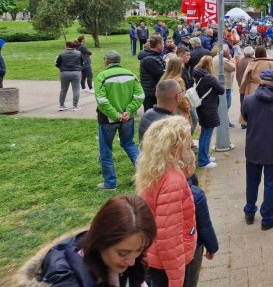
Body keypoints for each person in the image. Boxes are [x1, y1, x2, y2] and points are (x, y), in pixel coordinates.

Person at [18, 194, 157, 287]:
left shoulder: (126, 262)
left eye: (140, 250)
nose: (131, 261)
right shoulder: (67, 279)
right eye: (123, 253)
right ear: (101, 240)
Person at [135, 116, 197, 287]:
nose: (191, 145)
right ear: (176, 146)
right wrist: (176, 281)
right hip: (169, 266)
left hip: (154, 256)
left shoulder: (153, 170)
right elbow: (170, 238)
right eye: (187, 142)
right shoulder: (173, 181)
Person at [241, 69, 273, 230]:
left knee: (252, 181)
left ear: (261, 82)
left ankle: (250, 212)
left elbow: (245, 117)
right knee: (271, 183)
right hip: (272, 149)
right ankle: (268, 216)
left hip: (253, 148)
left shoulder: (248, 100)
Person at [95, 50, 144, 190]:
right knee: (129, 144)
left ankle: (110, 183)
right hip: (127, 119)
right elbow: (140, 95)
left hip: (107, 120)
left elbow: (102, 100)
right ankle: (146, 173)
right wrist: (128, 112)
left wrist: (116, 115)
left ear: (106, 61)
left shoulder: (101, 76)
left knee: (106, 150)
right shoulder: (130, 74)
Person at [181, 148, 219, 287]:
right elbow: (205, 226)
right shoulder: (196, 195)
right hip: (191, 249)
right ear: (189, 167)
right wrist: (212, 247)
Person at [193, 55, 225, 169]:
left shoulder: (197, 74)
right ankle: (203, 160)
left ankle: (204, 155)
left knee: (204, 133)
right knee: (207, 134)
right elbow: (221, 90)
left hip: (201, 107)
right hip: (209, 108)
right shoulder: (209, 78)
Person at [138, 35, 165, 111]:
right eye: (162, 43)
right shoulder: (149, 60)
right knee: (152, 119)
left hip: (156, 92)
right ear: (158, 45)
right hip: (151, 94)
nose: (164, 45)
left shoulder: (155, 55)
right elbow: (161, 75)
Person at [160, 57, 192, 122]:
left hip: (166, 110)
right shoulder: (179, 81)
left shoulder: (164, 78)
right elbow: (181, 98)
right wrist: (187, 107)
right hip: (178, 112)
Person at [213, 44, 236, 129]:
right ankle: (224, 121)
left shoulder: (215, 58)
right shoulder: (224, 60)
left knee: (222, 104)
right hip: (225, 85)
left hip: (218, 83)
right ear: (225, 52)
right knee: (226, 104)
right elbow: (233, 67)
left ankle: (223, 120)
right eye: (228, 51)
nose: (229, 52)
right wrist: (231, 58)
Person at [56, 41, 83, 111]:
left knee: (63, 90)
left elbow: (57, 64)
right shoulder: (79, 53)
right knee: (76, 90)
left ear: (66, 46)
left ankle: (61, 105)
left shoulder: (62, 53)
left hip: (64, 73)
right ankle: (75, 106)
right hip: (76, 73)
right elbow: (82, 63)